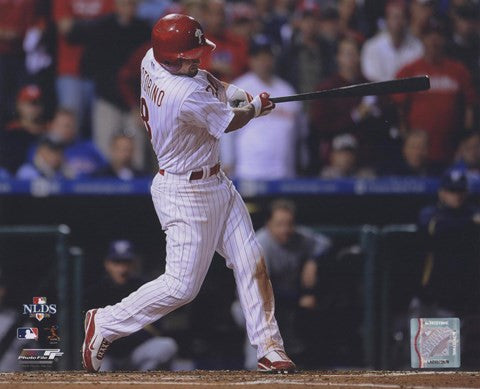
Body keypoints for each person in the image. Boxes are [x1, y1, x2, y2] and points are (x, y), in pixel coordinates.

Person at [81, 13, 296, 374]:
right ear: (171, 58)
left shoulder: (154, 58)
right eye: (189, 55)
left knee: (251, 260)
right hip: (185, 190)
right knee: (181, 287)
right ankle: (105, 322)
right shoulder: (183, 96)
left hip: (215, 182)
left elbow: (204, 78)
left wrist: (234, 92)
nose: (197, 59)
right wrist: (256, 107)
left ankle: (269, 347)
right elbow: (230, 121)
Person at [67, 0, 151, 169]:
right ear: (116, 5)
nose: (128, 8)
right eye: (125, 4)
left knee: (136, 154)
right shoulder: (103, 28)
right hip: (107, 98)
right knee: (104, 152)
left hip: (135, 103)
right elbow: (88, 63)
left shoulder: (143, 30)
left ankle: (138, 192)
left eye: (132, 4)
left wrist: (140, 106)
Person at [394, 17, 478, 168]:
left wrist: (465, 140)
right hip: (417, 155)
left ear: (444, 39)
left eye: (438, 35)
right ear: (422, 38)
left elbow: (470, 109)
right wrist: (407, 143)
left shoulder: (458, 71)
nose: (434, 40)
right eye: (429, 35)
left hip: (452, 152)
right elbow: (398, 110)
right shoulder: (408, 70)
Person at [84, 240, 178, 371]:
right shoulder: (96, 292)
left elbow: (156, 328)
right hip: (107, 355)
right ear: (107, 264)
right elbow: (88, 334)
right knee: (97, 366)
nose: (122, 269)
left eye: (126, 263)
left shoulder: (145, 287)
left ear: (134, 264)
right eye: (117, 263)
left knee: (167, 345)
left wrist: (116, 329)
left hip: (136, 353)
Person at [220, 35, 301, 179]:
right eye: (259, 57)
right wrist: (227, 161)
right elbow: (228, 129)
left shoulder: (287, 90)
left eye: (267, 56)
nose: (264, 61)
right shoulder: (240, 89)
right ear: (251, 60)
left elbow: (298, 133)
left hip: (283, 173)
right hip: (248, 172)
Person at [53, 0, 114, 136]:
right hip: (70, 71)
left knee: (101, 131)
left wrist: (79, 27)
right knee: (69, 128)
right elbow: (65, 27)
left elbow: (112, 26)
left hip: (99, 73)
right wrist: (98, 27)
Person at [361, 0, 423, 82]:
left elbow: (419, 75)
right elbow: (372, 77)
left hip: (409, 93)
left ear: (407, 20)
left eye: (402, 17)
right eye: (395, 17)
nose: (399, 22)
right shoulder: (372, 46)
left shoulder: (417, 46)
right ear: (387, 20)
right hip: (381, 93)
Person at [42, 108, 106, 178]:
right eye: (65, 126)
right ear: (52, 126)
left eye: (71, 125)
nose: (68, 129)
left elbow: (106, 168)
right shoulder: (44, 149)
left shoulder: (89, 147)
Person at [0, 85, 45, 175]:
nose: (33, 108)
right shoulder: (10, 131)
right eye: (29, 103)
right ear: (19, 105)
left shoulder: (47, 131)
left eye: (36, 103)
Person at [199, 0, 249, 82]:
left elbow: (246, 71)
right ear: (204, 15)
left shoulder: (238, 42)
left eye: (220, 14)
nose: (217, 20)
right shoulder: (195, 42)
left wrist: (231, 69)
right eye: (212, 14)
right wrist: (211, 65)